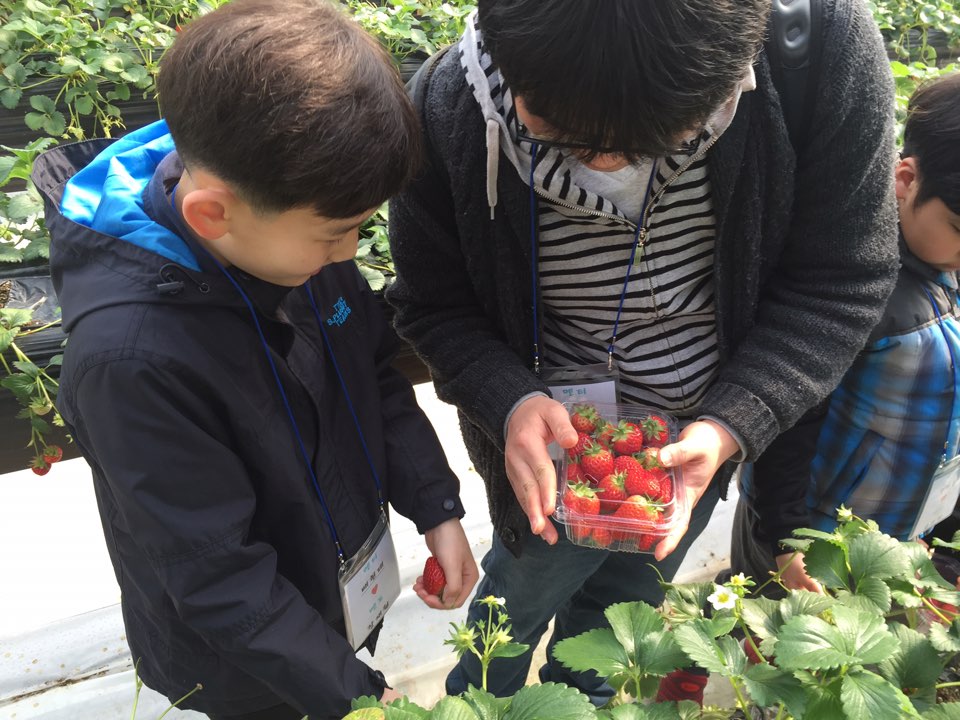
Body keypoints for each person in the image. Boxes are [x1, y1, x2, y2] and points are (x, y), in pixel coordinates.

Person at [386, 0, 899, 705]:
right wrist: (509, 401)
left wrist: (732, 423)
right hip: (554, 457)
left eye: (657, 139)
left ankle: (581, 700)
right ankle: (485, 700)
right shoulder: (447, 111)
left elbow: (842, 278)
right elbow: (433, 304)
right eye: (562, 134)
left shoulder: (819, 52)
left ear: (733, 71)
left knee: (626, 605)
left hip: (693, 446)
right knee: (515, 599)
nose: (605, 162)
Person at [32, 1, 479, 718]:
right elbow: (218, 577)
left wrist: (436, 506)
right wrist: (358, 697)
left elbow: (370, 373)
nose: (349, 255)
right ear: (213, 213)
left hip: (330, 585)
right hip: (240, 658)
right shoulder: (133, 362)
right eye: (338, 234)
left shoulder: (291, 228)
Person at [733, 71, 960, 594]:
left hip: (889, 531)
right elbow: (784, 419)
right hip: (810, 534)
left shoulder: (941, 270)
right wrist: (788, 540)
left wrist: (933, 525)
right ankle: (688, 672)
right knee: (752, 620)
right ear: (905, 180)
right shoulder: (846, 289)